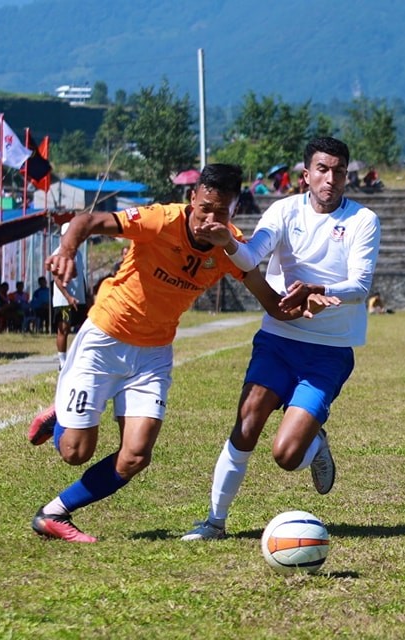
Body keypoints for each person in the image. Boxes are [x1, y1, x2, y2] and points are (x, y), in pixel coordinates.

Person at [25, 163, 337, 543]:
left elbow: (271, 303)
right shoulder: (160, 220)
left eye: (220, 212)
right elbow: (88, 220)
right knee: (75, 451)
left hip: (153, 353)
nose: (209, 219)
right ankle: (61, 414)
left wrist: (305, 302)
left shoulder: (230, 246)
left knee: (136, 456)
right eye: (204, 207)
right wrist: (67, 251)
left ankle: (54, 513)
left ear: (233, 211)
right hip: (105, 338)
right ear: (192, 199)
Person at [182, 137, 381, 541]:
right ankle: (215, 522)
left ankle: (314, 441)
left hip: (328, 351)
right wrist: (228, 243)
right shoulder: (283, 211)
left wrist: (320, 292)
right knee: (247, 422)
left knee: (286, 456)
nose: (331, 178)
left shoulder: (363, 220)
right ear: (306, 175)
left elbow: (360, 284)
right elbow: (251, 257)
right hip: (278, 338)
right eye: (322, 169)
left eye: (339, 170)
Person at [51, 226, 91, 370]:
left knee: (85, 329)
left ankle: (80, 358)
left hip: (79, 298)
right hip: (64, 300)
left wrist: (87, 295)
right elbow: (57, 279)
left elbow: (81, 276)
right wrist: (68, 297)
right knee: (64, 329)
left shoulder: (78, 254)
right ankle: (62, 362)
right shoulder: (58, 254)